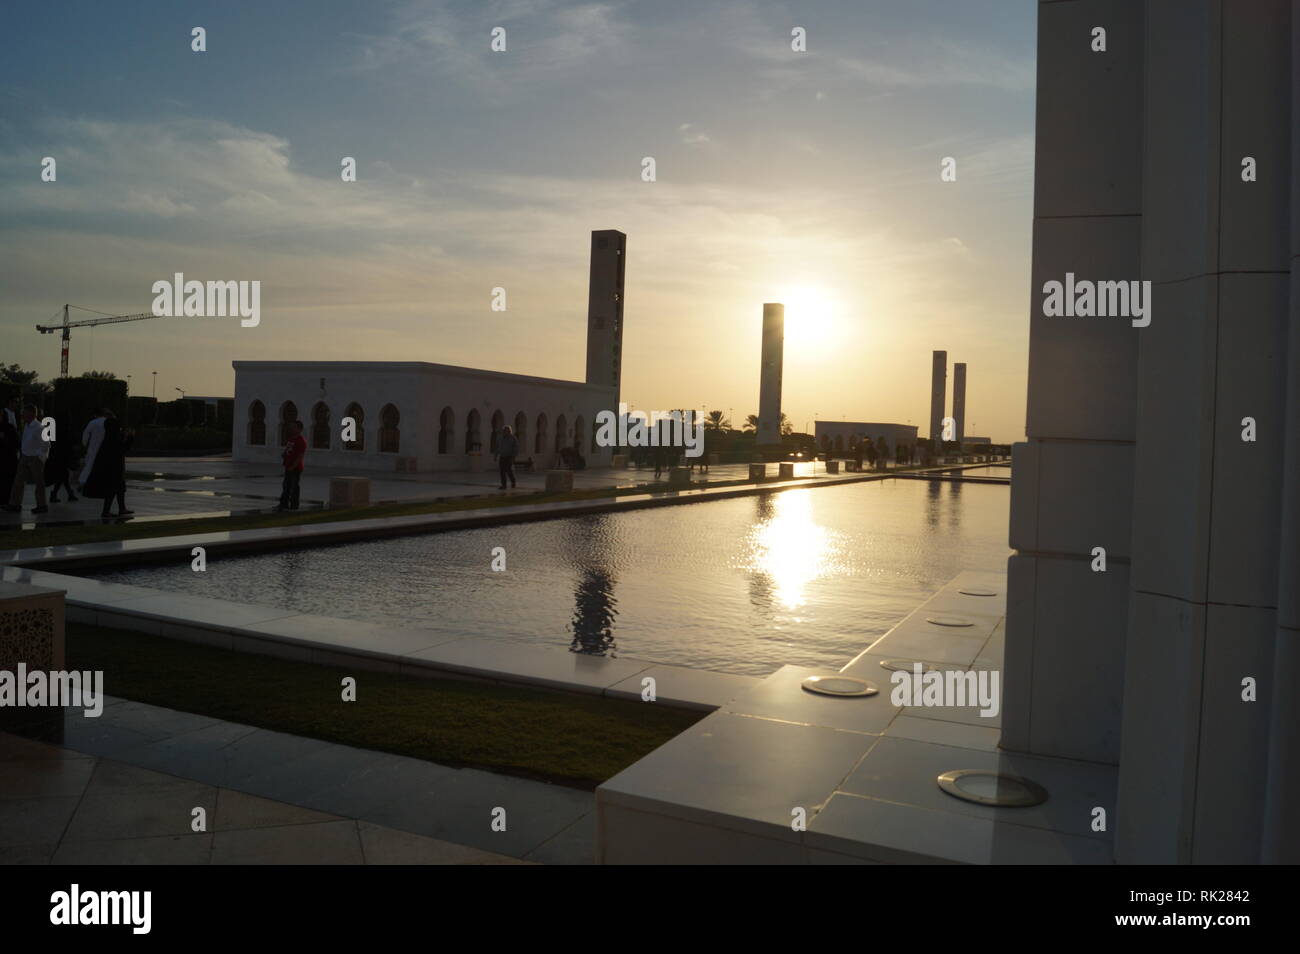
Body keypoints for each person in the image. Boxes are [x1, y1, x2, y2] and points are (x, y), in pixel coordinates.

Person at [83, 417, 133, 518]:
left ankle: (121, 508)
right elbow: (122, 449)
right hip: (114, 468)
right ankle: (106, 511)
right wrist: (130, 438)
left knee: (120, 488)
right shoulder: (114, 438)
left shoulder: (108, 437)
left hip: (110, 467)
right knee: (113, 489)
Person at [3, 404, 50, 514]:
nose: (22, 414)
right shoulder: (27, 426)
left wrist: (40, 457)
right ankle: (15, 504)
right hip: (25, 456)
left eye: (24, 412)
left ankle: (42, 505)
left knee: (39, 483)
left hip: (35, 458)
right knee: (18, 481)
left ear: (32, 414)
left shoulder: (39, 427)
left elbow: (46, 444)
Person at [45, 411, 78, 503]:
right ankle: (64, 494)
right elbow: (70, 442)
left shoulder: (55, 429)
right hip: (63, 456)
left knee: (62, 476)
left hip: (56, 456)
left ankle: (63, 494)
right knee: (63, 476)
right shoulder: (66, 429)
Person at [276, 420, 307, 511]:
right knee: (286, 486)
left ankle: (294, 505)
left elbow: (300, 456)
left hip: (295, 468)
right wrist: (284, 454)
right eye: (291, 427)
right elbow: (288, 449)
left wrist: (293, 466)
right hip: (288, 466)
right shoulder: (291, 439)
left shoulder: (301, 441)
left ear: (299, 429)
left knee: (294, 486)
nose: (291, 428)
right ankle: (284, 504)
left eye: (294, 427)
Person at [79, 408, 111, 487]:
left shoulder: (93, 422)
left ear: (95, 415)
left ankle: (83, 481)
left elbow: (86, 433)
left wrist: (84, 444)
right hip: (105, 446)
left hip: (93, 446)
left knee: (90, 464)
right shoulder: (108, 422)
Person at [496, 424, 518, 490]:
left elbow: (515, 448)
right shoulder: (500, 438)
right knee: (502, 471)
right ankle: (504, 485)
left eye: (507, 431)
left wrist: (514, 457)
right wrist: (495, 455)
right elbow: (497, 447)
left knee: (508, 470)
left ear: (509, 431)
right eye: (504, 430)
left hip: (509, 457)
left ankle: (513, 482)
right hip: (502, 456)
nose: (505, 432)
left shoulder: (513, 438)